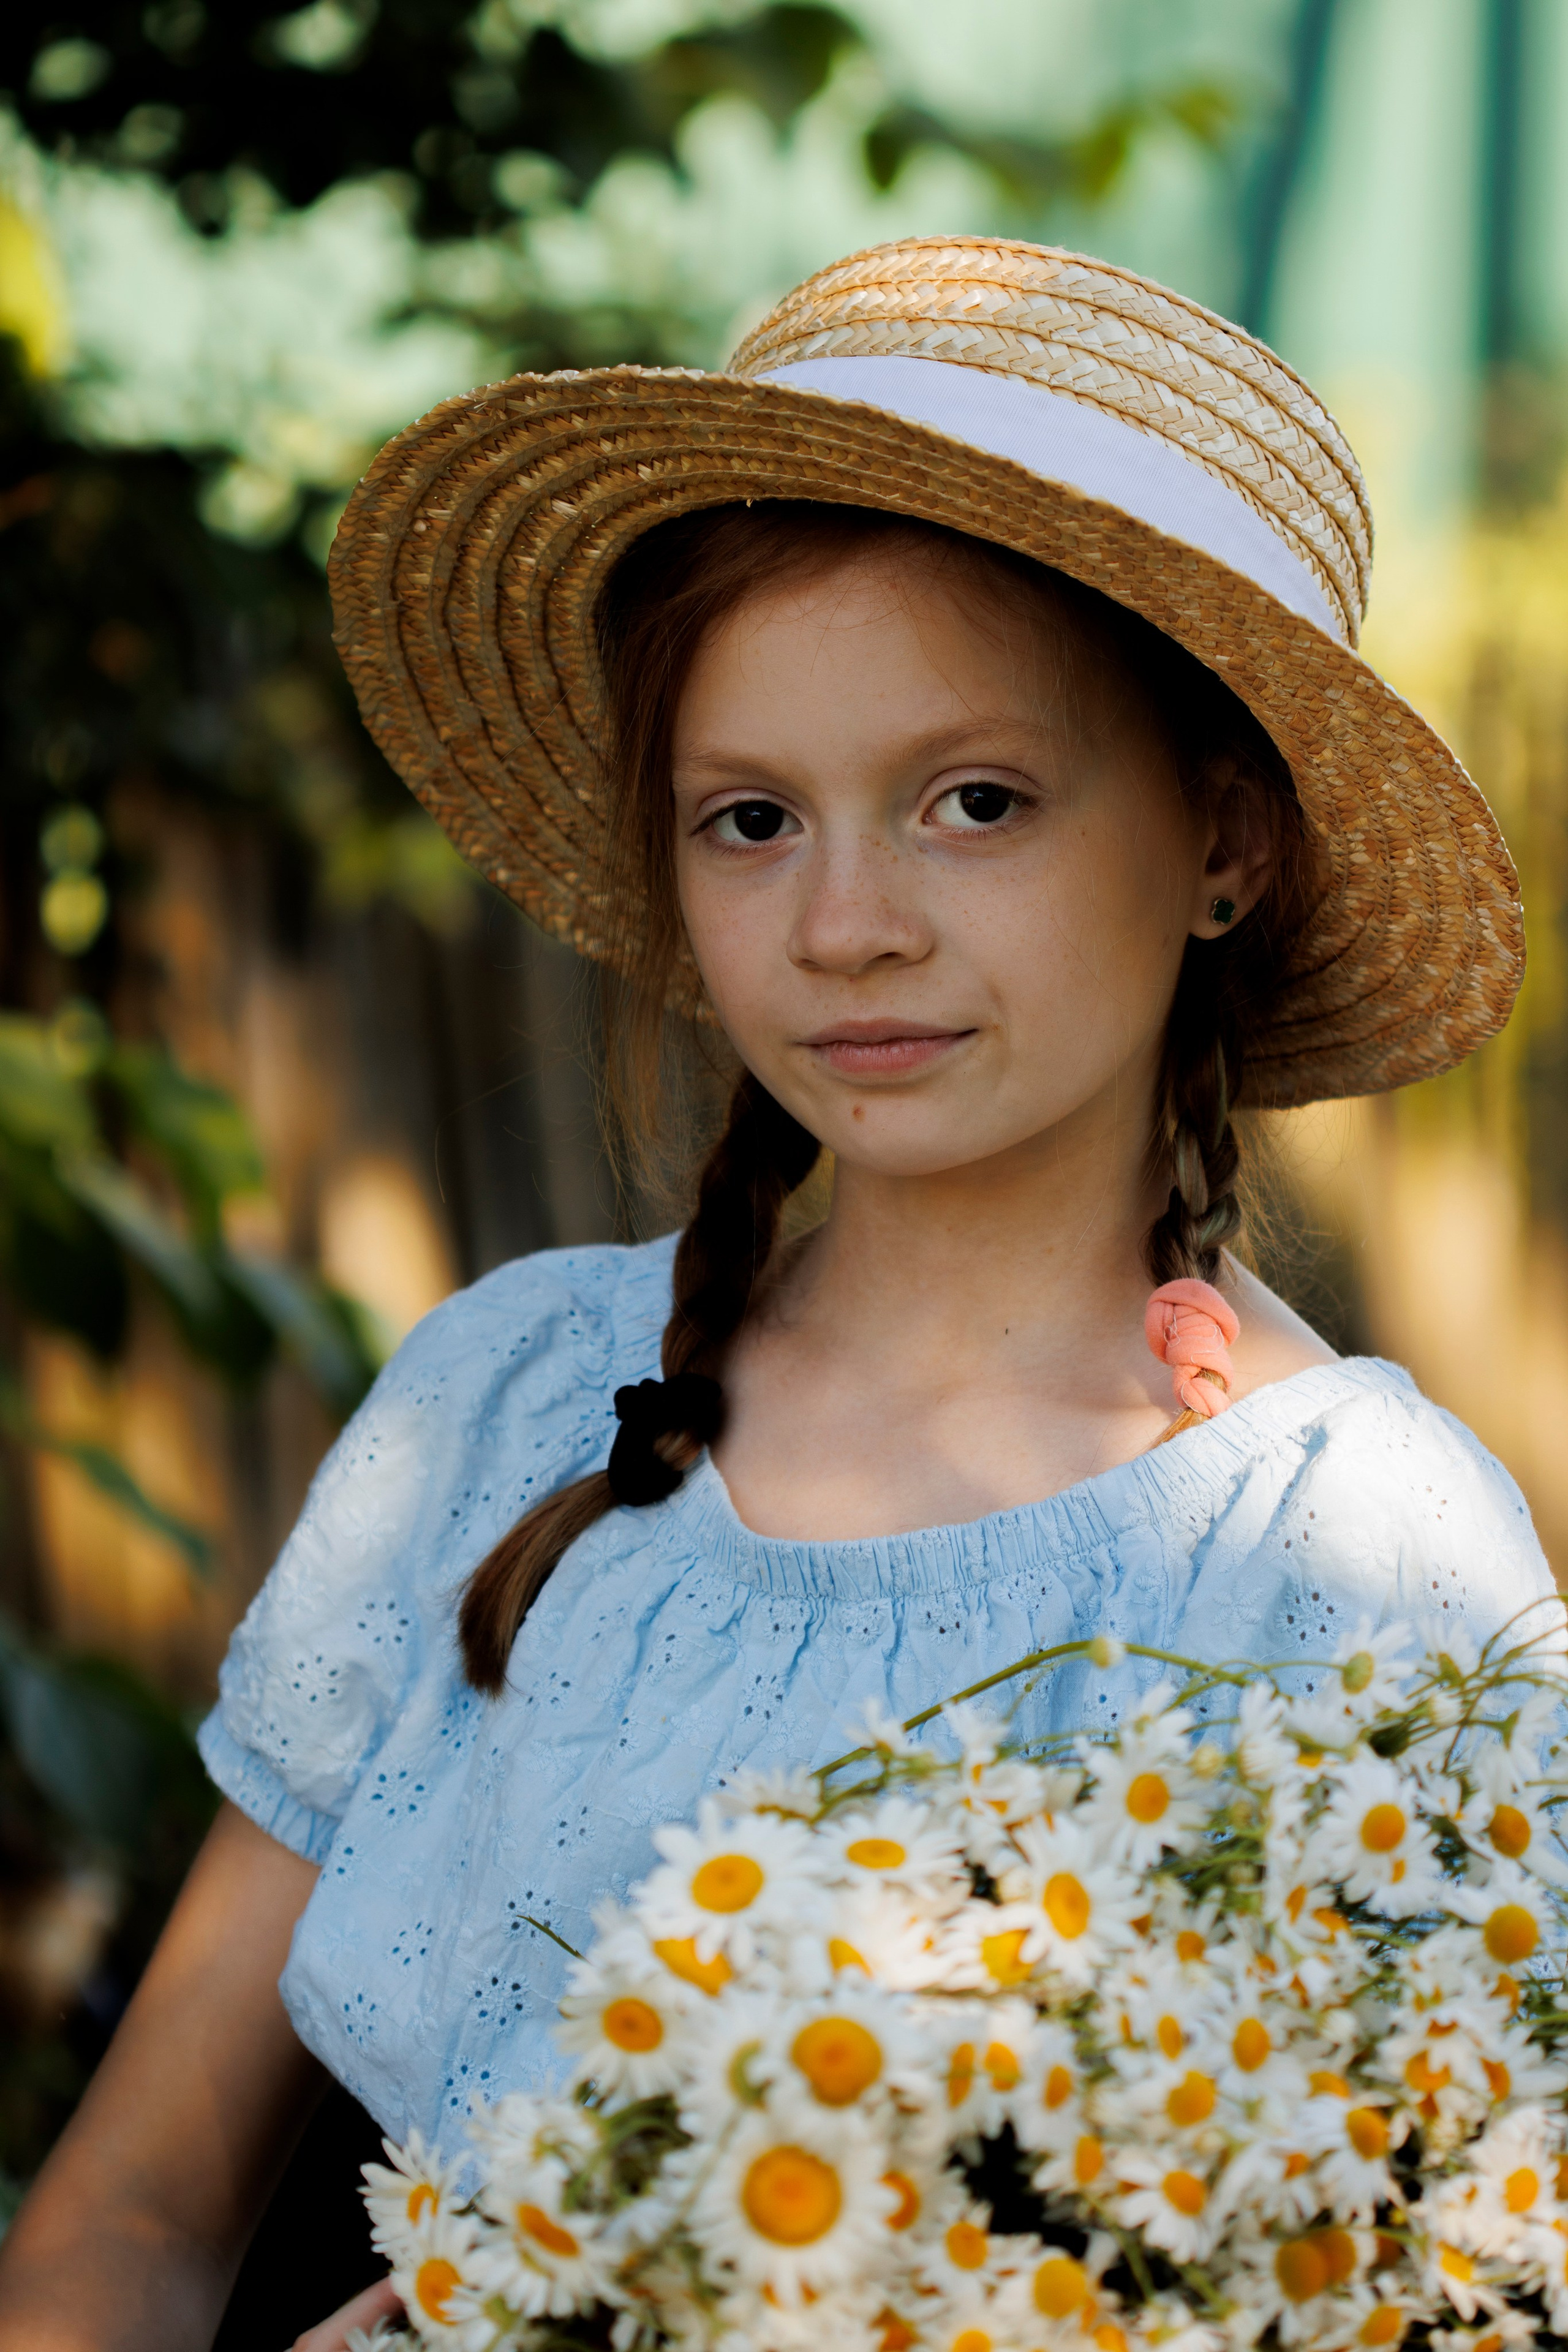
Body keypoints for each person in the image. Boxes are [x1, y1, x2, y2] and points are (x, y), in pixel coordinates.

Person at [0, 236, 1556, 2352]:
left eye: (973, 801)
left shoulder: (1357, 1557)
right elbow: (132, 2211)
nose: (843, 926)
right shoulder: (514, 1396)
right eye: (749, 819)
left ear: (1226, 841)